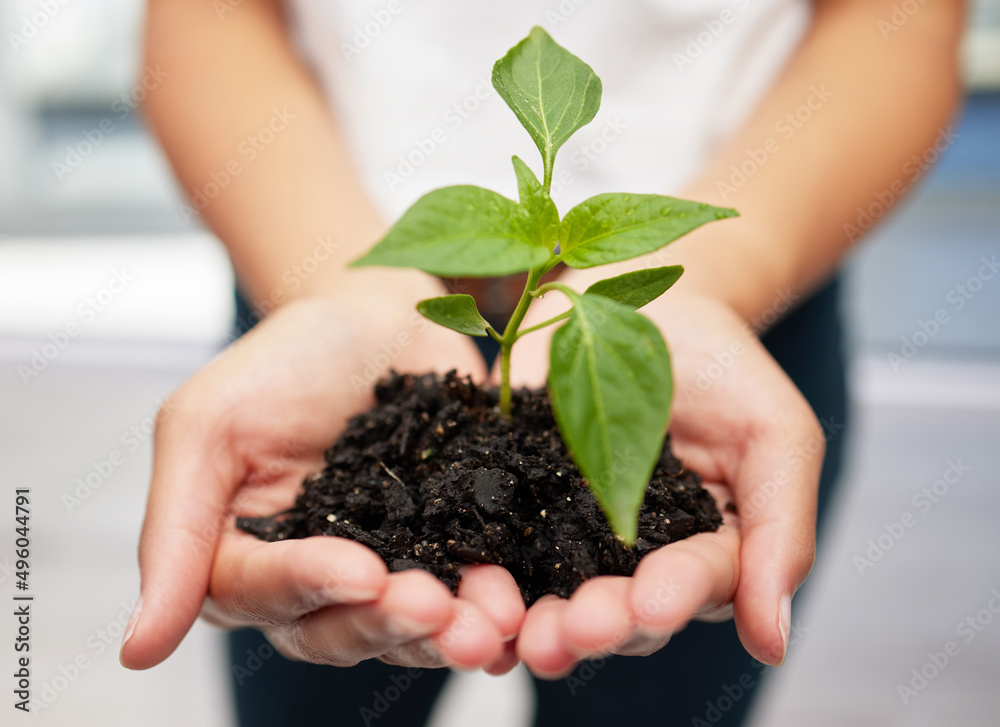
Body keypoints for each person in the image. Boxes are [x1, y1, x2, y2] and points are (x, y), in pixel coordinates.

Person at [121, 1, 965, 724]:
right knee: (317, 666)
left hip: (735, 312)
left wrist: (717, 276)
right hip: (310, 293)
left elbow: (899, 20)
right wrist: (333, 292)